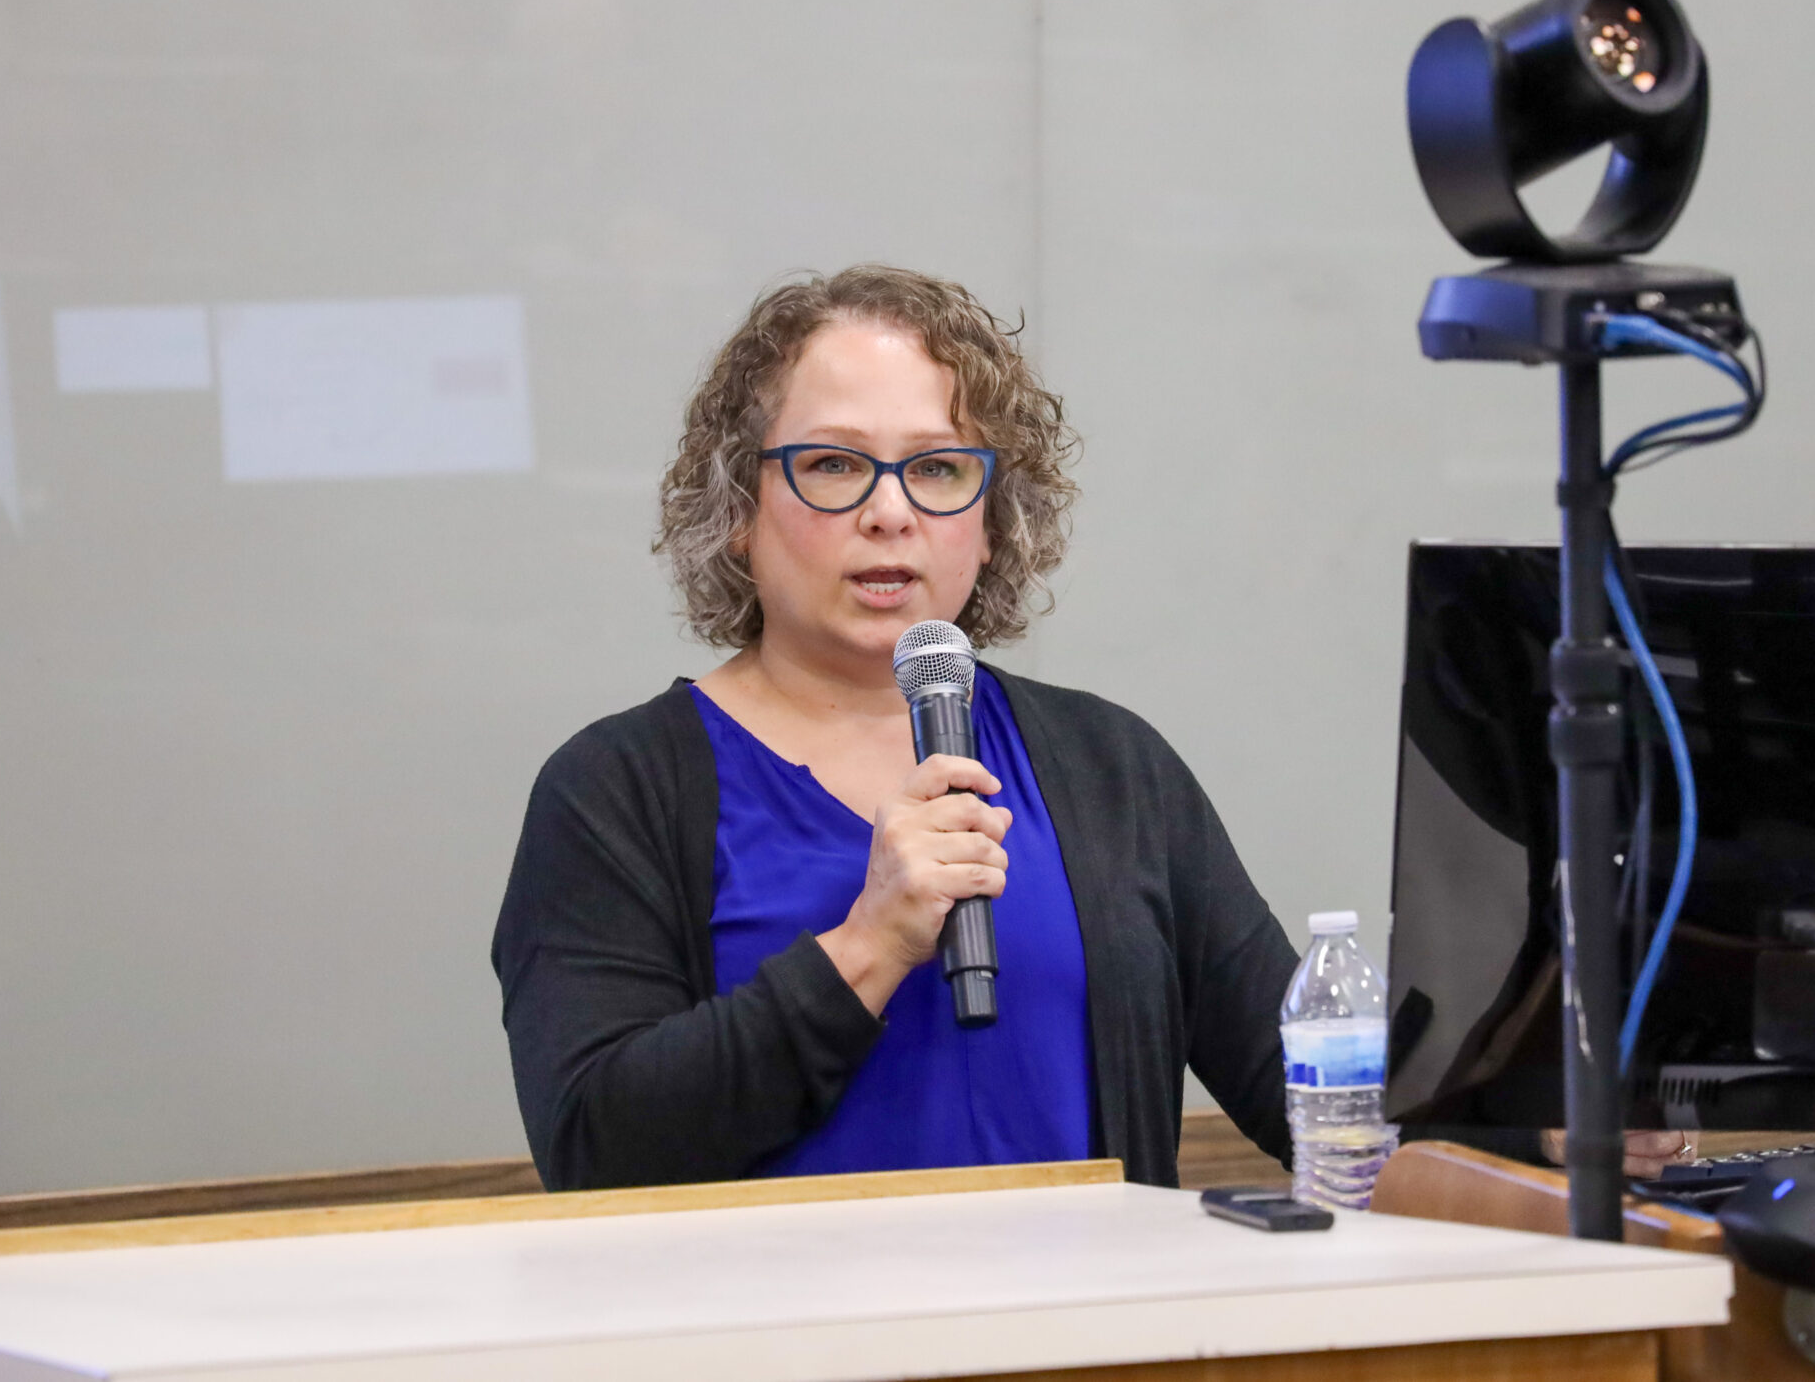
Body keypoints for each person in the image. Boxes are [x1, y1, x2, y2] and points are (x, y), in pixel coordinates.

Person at [490, 265, 1298, 1189]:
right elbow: (596, 1150)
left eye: (937, 468)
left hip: (1085, 1327)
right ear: (740, 511)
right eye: (833, 464)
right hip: (784, 1333)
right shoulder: (616, 790)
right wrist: (869, 945)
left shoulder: (1113, 767)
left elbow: (1306, 1093)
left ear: (992, 521)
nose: (890, 512)